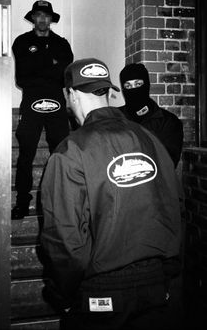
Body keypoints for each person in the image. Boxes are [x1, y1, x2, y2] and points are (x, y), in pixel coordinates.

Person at [40, 57, 183, 330]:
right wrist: (166, 272)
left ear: (71, 94)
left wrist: (66, 295)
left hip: (101, 292)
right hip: (156, 289)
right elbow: (174, 204)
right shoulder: (149, 139)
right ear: (107, 91)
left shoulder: (70, 152)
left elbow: (64, 237)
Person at [11, 0, 74, 220]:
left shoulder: (62, 43)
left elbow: (65, 75)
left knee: (61, 153)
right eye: (38, 15)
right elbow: (22, 77)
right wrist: (52, 64)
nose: (42, 19)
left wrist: (39, 66)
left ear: (51, 19)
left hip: (56, 101)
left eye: (46, 16)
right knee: (26, 153)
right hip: (31, 101)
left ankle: (60, 202)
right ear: (33, 18)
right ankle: (21, 202)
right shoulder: (21, 42)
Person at [119, 63, 183, 169]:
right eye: (128, 86)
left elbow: (168, 164)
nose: (133, 89)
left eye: (138, 84)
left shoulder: (168, 122)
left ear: (147, 85)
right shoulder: (116, 117)